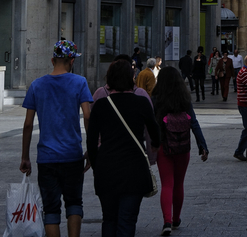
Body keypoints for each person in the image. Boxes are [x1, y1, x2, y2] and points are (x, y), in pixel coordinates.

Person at [20, 39, 94, 237]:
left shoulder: (36, 85)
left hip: (47, 157)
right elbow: (87, 116)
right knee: (74, 203)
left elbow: (28, 124)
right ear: (72, 61)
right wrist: (91, 149)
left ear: (52, 60)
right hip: (72, 155)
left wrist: (25, 156)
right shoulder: (80, 82)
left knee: (51, 209)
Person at [87, 60, 160, 237]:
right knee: (127, 220)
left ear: (109, 79)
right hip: (134, 170)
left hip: (106, 169)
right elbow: (155, 135)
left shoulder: (101, 105)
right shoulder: (141, 102)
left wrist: (97, 167)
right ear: (132, 78)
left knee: (109, 219)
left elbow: (91, 142)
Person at [151, 66, 208, 235]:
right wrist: (202, 145)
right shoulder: (184, 99)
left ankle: (167, 221)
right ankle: (176, 218)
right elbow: (194, 123)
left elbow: (151, 124)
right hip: (183, 146)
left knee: (167, 184)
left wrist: (151, 144)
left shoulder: (156, 99)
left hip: (164, 146)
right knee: (179, 183)